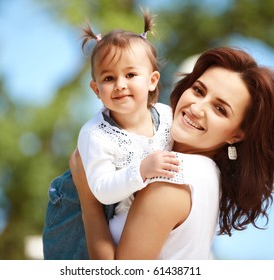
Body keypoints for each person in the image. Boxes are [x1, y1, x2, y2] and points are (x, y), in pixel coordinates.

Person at [70, 46, 274, 259]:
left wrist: (88, 199)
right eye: (198, 90)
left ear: (237, 135)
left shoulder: (171, 177)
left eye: (219, 109)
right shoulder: (206, 173)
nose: (196, 108)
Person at [42, 10, 179, 260]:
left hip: (153, 219)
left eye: (130, 74)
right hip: (110, 220)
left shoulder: (167, 116)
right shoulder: (96, 134)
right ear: (96, 89)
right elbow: (102, 190)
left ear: (152, 80)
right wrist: (141, 170)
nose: (120, 84)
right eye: (108, 77)